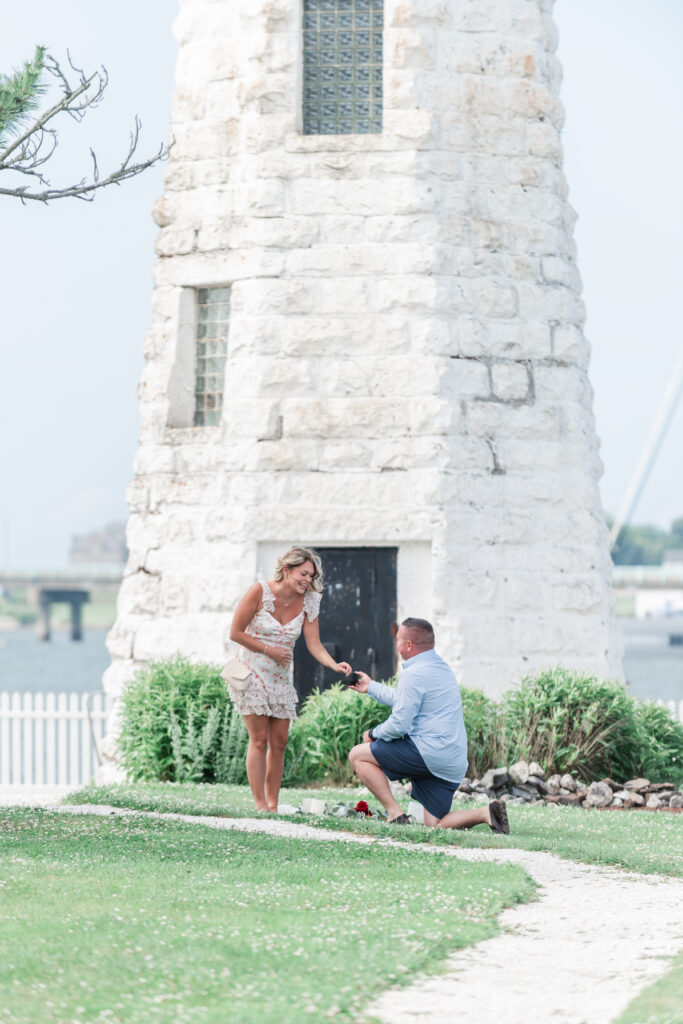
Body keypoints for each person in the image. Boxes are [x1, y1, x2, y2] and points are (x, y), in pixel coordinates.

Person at [347, 617, 509, 833]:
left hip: (427, 753)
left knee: (357, 754)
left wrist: (374, 734)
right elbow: (406, 699)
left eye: (398, 640)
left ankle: (394, 813)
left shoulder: (413, 674)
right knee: (434, 824)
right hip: (452, 762)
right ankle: (486, 813)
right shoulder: (442, 669)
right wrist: (372, 687)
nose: (396, 644)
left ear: (408, 645)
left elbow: (399, 724)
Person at [229, 546, 351, 812]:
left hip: (280, 678)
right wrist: (269, 649)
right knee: (259, 740)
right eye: (303, 574)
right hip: (251, 672)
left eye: (311, 576)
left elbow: (314, 643)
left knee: (280, 742)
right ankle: (261, 805)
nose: (307, 580)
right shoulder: (259, 591)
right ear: (287, 570)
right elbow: (235, 633)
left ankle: (273, 803)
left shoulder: (309, 601)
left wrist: (333, 664)